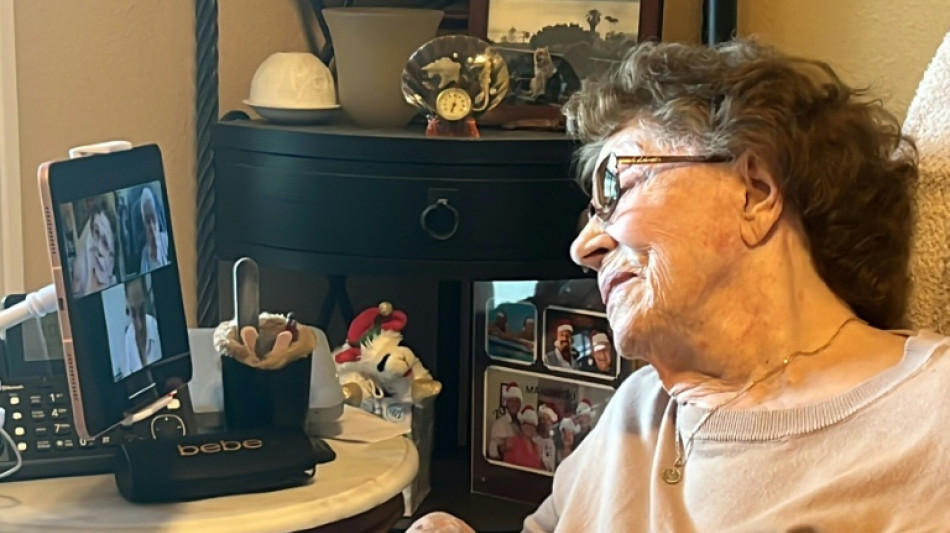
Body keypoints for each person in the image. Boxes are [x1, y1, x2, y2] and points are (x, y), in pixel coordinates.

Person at [409, 39, 950, 532]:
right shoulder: (636, 409)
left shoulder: (930, 415)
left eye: (614, 187)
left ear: (755, 192)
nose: (583, 248)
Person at [70, 197, 119, 297]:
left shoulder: (114, 289)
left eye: (105, 243)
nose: (98, 248)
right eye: (96, 232)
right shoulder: (79, 276)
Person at [116, 276, 162, 379]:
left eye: (141, 312)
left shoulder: (157, 327)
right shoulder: (127, 340)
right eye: (133, 313)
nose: (139, 324)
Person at [487, 382, 522, 460]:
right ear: (507, 404)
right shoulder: (499, 424)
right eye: (511, 401)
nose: (514, 404)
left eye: (516, 401)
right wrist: (502, 447)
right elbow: (492, 451)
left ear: (520, 404)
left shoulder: (522, 424)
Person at [138, 187, 169, 273]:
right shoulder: (144, 254)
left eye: (153, 218)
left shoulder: (166, 240)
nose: (151, 226)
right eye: (147, 221)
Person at [503, 405, 543, 470]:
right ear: (521, 426)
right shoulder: (512, 441)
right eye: (526, 423)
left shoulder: (536, 447)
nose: (528, 427)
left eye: (531, 425)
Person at [534, 403, 558, 472]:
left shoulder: (555, 442)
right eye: (542, 419)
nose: (544, 422)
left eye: (548, 419)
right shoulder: (534, 440)